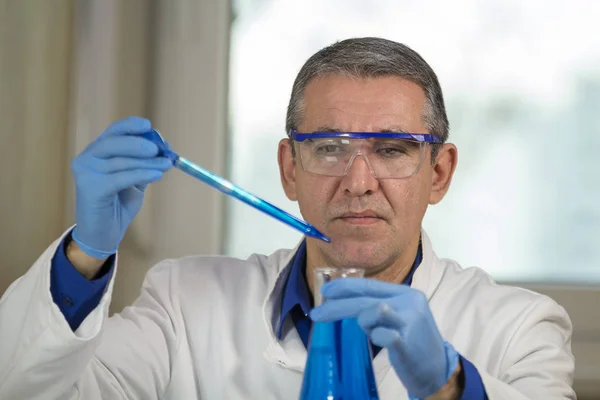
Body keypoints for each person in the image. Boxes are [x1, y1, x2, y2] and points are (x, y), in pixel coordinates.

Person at [0, 37, 575, 400]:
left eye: (393, 149)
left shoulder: (519, 330)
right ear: (289, 168)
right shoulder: (185, 304)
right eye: (327, 147)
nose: (357, 181)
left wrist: (452, 387)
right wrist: (85, 255)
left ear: (440, 173)